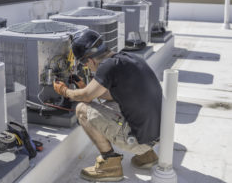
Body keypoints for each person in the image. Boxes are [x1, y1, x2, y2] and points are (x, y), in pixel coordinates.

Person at [53, 30, 162, 182]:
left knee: (82, 110)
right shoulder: (128, 58)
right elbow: (112, 94)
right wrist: (86, 88)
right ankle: (146, 156)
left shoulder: (108, 67)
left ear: (89, 61)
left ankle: (110, 165)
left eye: (85, 66)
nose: (88, 69)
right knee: (111, 101)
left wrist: (64, 91)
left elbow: (86, 97)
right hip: (155, 136)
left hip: (139, 142)